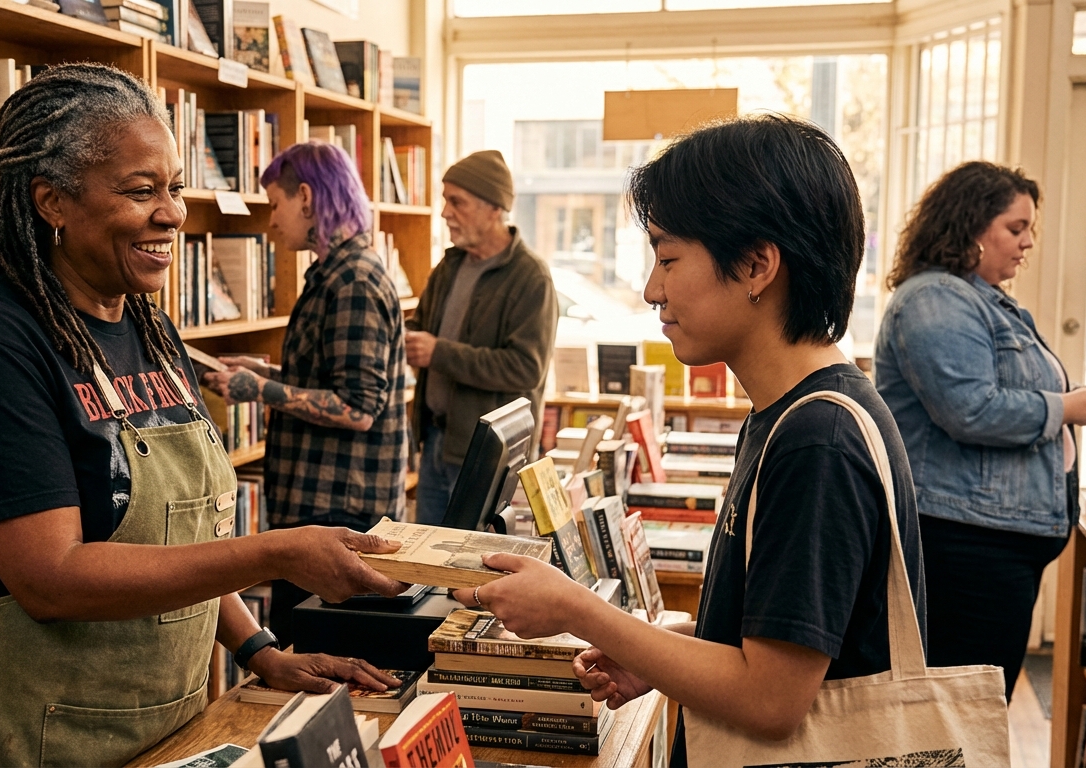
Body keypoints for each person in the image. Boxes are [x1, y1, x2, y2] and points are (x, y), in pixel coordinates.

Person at [0, 64, 405, 768]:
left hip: (160, 723)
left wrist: (261, 652)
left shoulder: (151, 328)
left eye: (173, 187)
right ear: (52, 201)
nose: (172, 213)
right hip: (23, 730)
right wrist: (276, 552)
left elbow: (181, 542)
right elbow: (51, 578)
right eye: (141, 191)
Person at [450, 115, 925, 765]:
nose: (652, 290)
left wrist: (576, 609)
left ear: (757, 265)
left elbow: (771, 700)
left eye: (668, 258)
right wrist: (660, 649)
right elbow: (778, 640)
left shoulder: (818, 441)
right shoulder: (788, 415)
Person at [875, 161, 1086, 700]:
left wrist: (1076, 398)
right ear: (970, 226)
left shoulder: (981, 299)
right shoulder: (935, 298)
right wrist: (1066, 407)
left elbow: (1006, 391)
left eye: (1030, 229)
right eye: (1015, 228)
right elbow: (970, 409)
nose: (1028, 243)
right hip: (965, 543)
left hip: (994, 539)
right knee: (964, 707)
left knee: (977, 703)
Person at [201, 141, 408, 648]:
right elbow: (330, 375)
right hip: (324, 500)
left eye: (276, 204)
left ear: (308, 198)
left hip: (339, 507)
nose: (272, 221)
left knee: (318, 656)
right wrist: (265, 371)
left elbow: (358, 407)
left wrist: (259, 388)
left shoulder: (353, 281)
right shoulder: (336, 275)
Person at [404, 150, 557, 524]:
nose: (445, 212)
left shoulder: (531, 277)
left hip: (486, 459)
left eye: (457, 202)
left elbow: (525, 369)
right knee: (427, 555)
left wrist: (439, 353)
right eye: (445, 200)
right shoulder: (449, 266)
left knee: (472, 558)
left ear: (494, 209)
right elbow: (420, 327)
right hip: (435, 442)